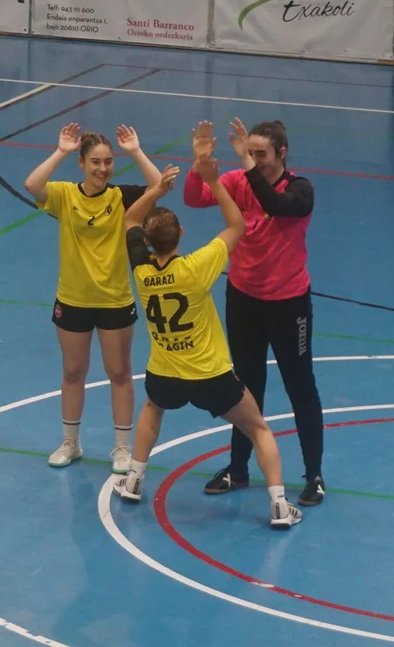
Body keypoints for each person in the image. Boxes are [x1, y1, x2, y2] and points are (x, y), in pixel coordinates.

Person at [115, 121, 302, 530]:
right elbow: (237, 226)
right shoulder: (196, 268)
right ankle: (279, 505)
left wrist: (156, 191)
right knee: (258, 428)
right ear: (181, 234)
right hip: (209, 374)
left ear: (149, 242)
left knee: (153, 408)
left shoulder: (141, 271)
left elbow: (130, 219)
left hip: (165, 371)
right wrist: (215, 180)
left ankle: (133, 480)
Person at [183, 118, 325, 505]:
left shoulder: (300, 189)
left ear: (283, 153)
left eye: (262, 154)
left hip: (289, 303)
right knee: (245, 386)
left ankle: (313, 474)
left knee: (300, 384)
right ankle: (239, 468)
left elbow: (276, 206)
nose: (255, 160)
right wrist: (199, 166)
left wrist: (246, 165)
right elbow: (195, 198)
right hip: (244, 298)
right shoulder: (237, 180)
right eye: (251, 153)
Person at [23, 123, 164, 473]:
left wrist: (136, 151)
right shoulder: (65, 195)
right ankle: (70, 442)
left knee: (120, 373)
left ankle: (122, 448)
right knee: (73, 372)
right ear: (82, 163)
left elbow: (158, 186)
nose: (103, 169)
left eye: (108, 162)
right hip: (73, 299)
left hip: (114, 300)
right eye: (95, 162)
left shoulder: (121, 197)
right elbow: (32, 185)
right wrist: (61, 151)